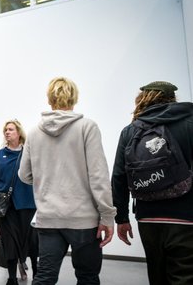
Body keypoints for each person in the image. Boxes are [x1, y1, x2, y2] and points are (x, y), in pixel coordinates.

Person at [18, 76, 116, 285]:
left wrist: (46, 178)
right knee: (88, 277)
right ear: (75, 98)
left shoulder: (35, 132)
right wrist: (107, 215)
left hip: (48, 218)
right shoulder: (87, 127)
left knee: (44, 277)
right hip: (84, 221)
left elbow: (24, 174)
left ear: (49, 99)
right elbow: (98, 176)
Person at [111, 81, 193, 285]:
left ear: (143, 99)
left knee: (157, 276)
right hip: (186, 216)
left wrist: (121, 218)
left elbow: (119, 177)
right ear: (172, 98)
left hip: (148, 218)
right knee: (185, 276)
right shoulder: (189, 123)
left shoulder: (130, 131)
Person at [0, 119, 37, 285]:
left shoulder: (28, 153)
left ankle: (36, 273)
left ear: (19, 133)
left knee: (30, 241)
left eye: (11, 129)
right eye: (5, 130)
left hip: (27, 204)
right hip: (6, 207)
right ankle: (12, 278)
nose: (7, 132)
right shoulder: (0, 154)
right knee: (8, 242)